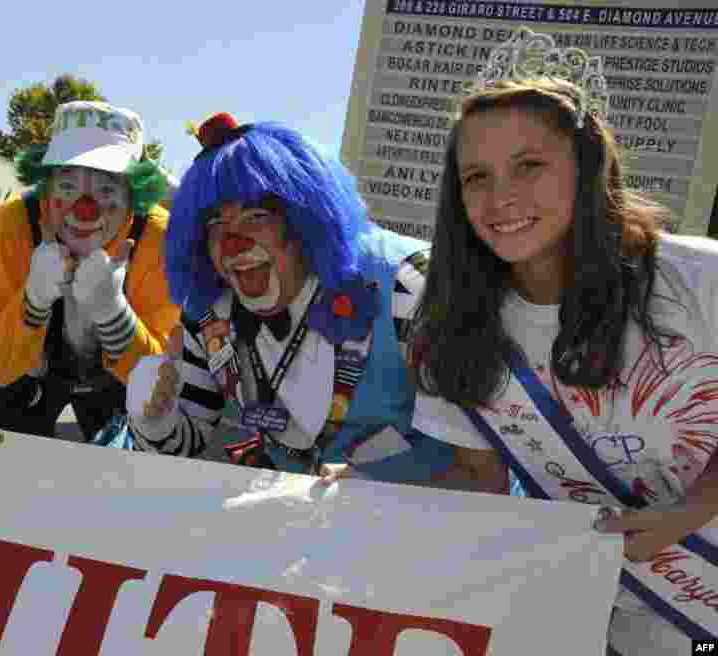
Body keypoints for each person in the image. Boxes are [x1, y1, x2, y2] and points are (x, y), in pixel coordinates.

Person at [407, 26, 718, 652]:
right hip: (610, 621)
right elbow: (481, 478)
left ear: (586, 168)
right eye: (476, 177)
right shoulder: (452, 323)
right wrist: (358, 499)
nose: (500, 198)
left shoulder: (699, 277)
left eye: (529, 166)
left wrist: (697, 505)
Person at [125, 112, 473, 483]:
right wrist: (156, 418)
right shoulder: (209, 315)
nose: (232, 243)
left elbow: (483, 466)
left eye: (256, 216)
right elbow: (189, 440)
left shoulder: (409, 285)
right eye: (216, 224)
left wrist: (384, 488)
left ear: (305, 216)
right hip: (292, 528)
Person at [0, 101, 179, 441]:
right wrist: (33, 301)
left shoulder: (158, 237)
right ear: (46, 186)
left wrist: (113, 314)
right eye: (67, 187)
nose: (84, 209)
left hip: (114, 381)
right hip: (29, 374)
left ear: (134, 195)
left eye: (106, 189)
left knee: (134, 468)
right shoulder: (15, 221)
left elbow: (160, 390)